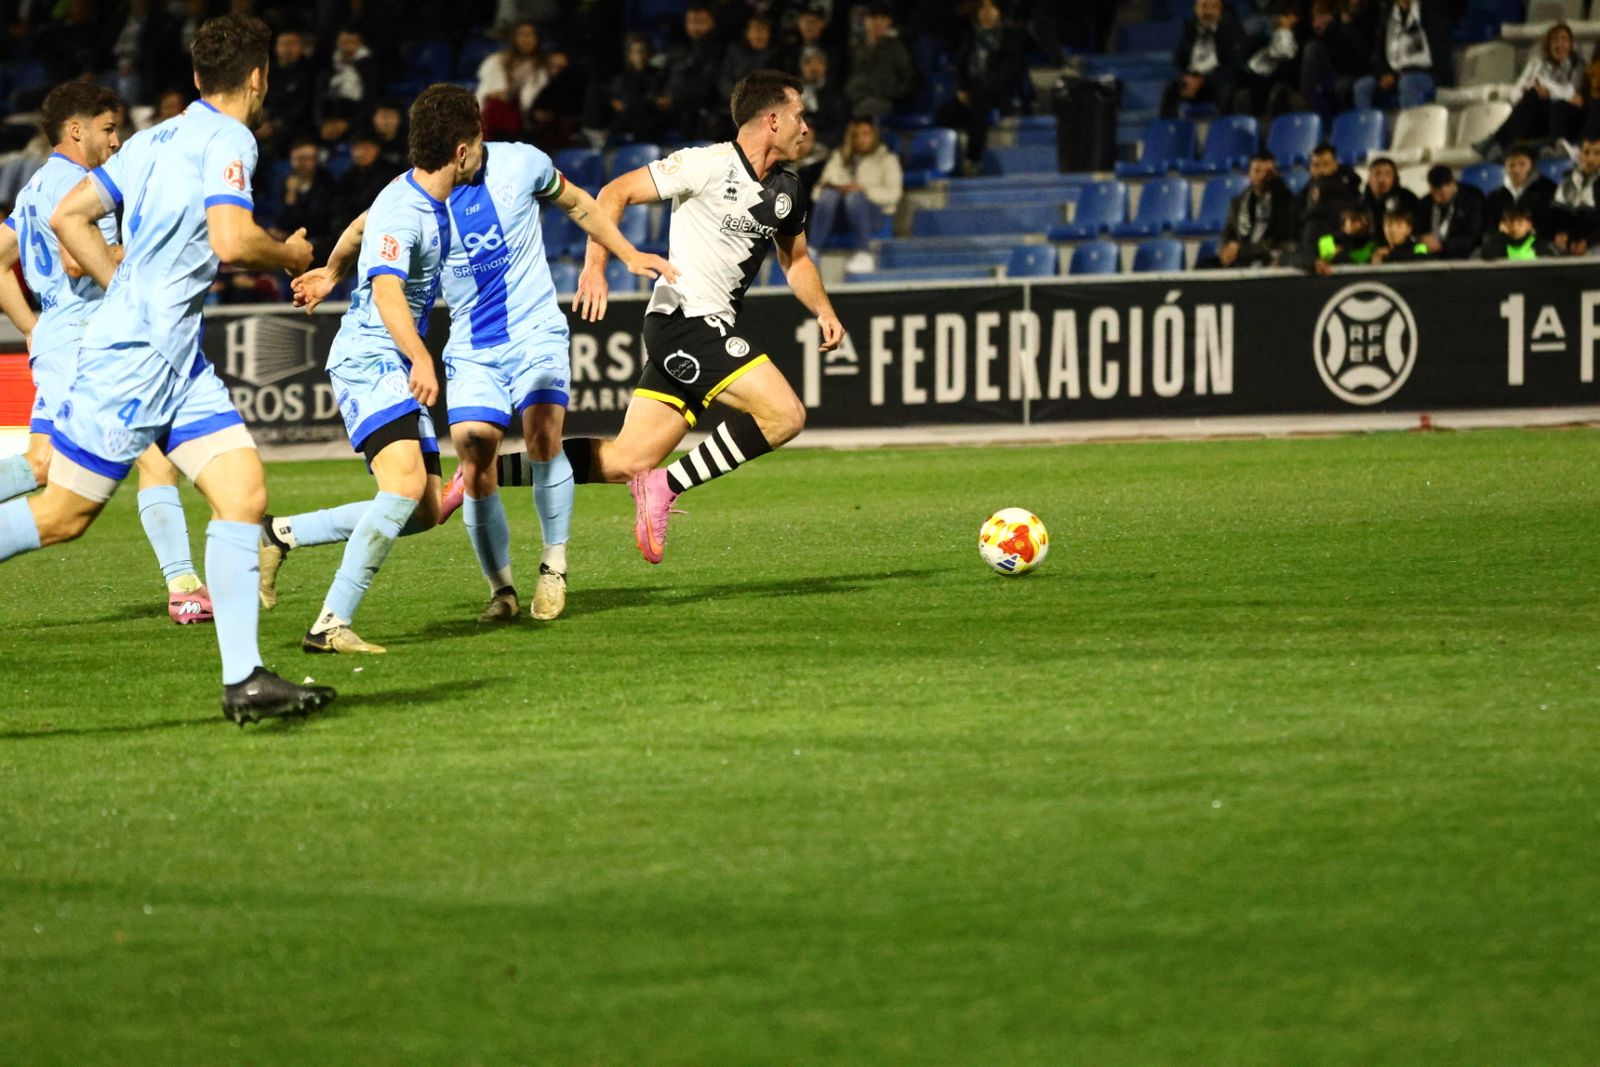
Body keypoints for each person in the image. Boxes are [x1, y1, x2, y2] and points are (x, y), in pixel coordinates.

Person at [2, 14, 331, 723]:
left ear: (194, 79)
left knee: (242, 492)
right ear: (257, 78)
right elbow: (232, 238)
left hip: (175, 355)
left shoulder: (154, 137)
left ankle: (244, 676)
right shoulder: (230, 138)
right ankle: (242, 669)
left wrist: (124, 290)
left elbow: (69, 218)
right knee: (63, 514)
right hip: (137, 359)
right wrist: (291, 256)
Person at [279, 134, 677, 626]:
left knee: (542, 433)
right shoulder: (419, 197)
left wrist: (625, 254)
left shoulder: (523, 162)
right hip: (471, 347)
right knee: (474, 454)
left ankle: (554, 565)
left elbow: (577, 202)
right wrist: (332, 273)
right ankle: (502, 589)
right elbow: (364, 227)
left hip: (534, 330)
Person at [570, 69, 845, 565]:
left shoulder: (788, 190)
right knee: (785, 415)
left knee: (624, 460)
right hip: (686, 321)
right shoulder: (706, 165)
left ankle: (482, 474)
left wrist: (824, 310)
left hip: (702, 328)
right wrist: (596, 267)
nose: (807, 127)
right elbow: (613, 193)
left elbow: (796, 260)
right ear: (772, 119)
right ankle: (665, 486)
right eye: (800, 116)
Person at [258, 85, 481, 655]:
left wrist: (332, 272)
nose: (483, 152)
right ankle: (329, 625)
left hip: (391, 357)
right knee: (404, 486)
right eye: (478, 142)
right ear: (460, 152)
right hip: (371, 358)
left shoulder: (407, 194)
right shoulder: (409, 211)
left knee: (425, 508)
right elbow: (386, 294)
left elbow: (360, 225)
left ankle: (281, 533)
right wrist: (423, 355)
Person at [0, 82, 215, 624]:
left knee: (42, 462)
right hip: (88, 338)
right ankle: (184, 584)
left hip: (59, 335)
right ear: (77, 130)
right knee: (154, 457)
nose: (117, 142)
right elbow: (79, 262)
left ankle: (185, 582)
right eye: (108, 129)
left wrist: (31, 326)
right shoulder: (80, 185)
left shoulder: (34, 188)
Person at [935, 0, 1028, 173]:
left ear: (999, 11)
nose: (986, 12)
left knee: (978, 105)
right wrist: (961, 90)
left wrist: (979, 90)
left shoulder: (1009, 35)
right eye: (982, 8)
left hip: (998, 93)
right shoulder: (970, 34)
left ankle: (973, 159)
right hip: (971, 90)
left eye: (990, 7)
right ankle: (945, 161)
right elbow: (961, 66)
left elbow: (1009, 72)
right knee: (944, 113)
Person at [1477, 23, 1585, 162]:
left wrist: (1548, 90)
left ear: (1570, 44)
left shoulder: (1577, 65)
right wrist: (1535, 90)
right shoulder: (1538, 64)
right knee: (1532, 95)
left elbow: (1572, 96)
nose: (1559, 45)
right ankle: (1501, 143)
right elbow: (1515, 94)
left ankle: (1498, 141)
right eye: (1555, 40)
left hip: (1562, 120)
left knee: (1540, 97)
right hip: (1536, 118)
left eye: (1564, 40)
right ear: (1548, 44)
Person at [809, 117, 903, 274]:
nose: (861, 139)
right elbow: (817, 191)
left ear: (874, 135)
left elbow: (894, 194)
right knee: (829, 195)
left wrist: (863, 190)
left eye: (866, 134)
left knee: (854, 197)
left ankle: (864, 254)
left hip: (873, 214)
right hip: (839, 215)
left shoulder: (887, 160)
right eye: (856, 135)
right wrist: (837, 188)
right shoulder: (839, 157)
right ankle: (811, 251)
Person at [1352, 0, 1452, 111]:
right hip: (1396, 74)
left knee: (1408, 82)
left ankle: (1412, 127)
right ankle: (1368, 126)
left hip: (1427, 74)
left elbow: (1441, 51)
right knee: (1362, 87)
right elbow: (1378, 53)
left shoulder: (1429, 9)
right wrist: (1383, 73)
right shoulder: (1388, 15)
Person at [1160, 0, 1244, 118]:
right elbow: (1178, 60)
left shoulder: (1231, 30)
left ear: (1220, 10)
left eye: (1214, 7)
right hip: (1191, 80)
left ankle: (1225, 132)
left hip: (1217, 81)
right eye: (1204, 6)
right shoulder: (1188, 28)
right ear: (1196, 8)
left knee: (1228, 92)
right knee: (1169, 91)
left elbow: (1232, 66)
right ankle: (1169, 132)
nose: (1209, 11)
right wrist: (1186, 78)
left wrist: (1202, 80)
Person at [1210, 150, 1294, 267]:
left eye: (1268, 173)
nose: (1262, 176)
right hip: (1240, 256)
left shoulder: (1286, 202)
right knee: (1204, 265)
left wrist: (1242, 250)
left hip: (1266, 255)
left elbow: (1279, 241)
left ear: (1275, 174)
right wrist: (1229, 246)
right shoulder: (1238, 203)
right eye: (1257, 171)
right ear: (1249, 174)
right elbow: (1229, 233)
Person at [656, 4, 727, 141]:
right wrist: (656, 96)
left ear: (712, 22)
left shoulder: (718, 50)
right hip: (670, 105)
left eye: (700, 22)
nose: (695, 27)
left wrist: (673, 100)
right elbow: (662, 76)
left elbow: (707, 86)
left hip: (695, 109)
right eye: (691, 22)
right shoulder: (679, 47)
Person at [475, 20, 551, 141]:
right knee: (495, 106)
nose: (526, 39)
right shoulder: (498, 60)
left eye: (531, 34)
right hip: (501, 114)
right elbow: (489, 91)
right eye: (522, 34)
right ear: (514, 38)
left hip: (528, 117)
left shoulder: (542, 66)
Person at [1300, 0, 1371, 120]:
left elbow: (1361, 56)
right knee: (1311, 48)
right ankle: (1307, 101)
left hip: (1352, 73)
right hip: (1327, 73)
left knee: (1340, 87)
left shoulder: (1357, 17)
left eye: (1321, 16)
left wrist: (1345, 26)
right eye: (1315, 18)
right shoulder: (1321, 32)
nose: (1316, 23)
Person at [845, 2, 916, 119]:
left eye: (882, 18)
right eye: (873, 18)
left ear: (889, 22)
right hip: (854, 97)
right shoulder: (855, 47)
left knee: (865, 112)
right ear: (865, 21)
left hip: (882, 99)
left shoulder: (897, 48)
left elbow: (907, 79)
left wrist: (890, 93)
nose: (877, 23)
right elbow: (847, 74)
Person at [1484, 145, 1557, 238]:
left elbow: (1553, 221)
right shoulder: (1495, 195)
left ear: (1532, 165)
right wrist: (1500, 228)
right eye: (1511, 165)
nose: (1516, 169)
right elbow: (1490, 224)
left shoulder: (1548, 189)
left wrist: (1529, 227)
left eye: (1522, 164)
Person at [1417, 163, 1485, 259]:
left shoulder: (1472, 199)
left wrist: (1442, 245)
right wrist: (1423, 238)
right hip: (1429, 253)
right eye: (1433, 192)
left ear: (1452, 184)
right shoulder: (1425, 202)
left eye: (1441, 194)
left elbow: (1473, 235)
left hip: (1464, 255)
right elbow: (1417, 229)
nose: (1436, 198)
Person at [1550, 136, 1600, 254]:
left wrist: (1587, 242)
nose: (1590, 158)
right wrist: (1561, 233)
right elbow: (1557, 214)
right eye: (1586, 152)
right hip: (1571, 242)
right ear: (1579, 154)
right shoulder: (1568, 181)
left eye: (1597, 153)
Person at [798, 48, 850, 152]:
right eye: (808, 63)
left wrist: (814, 139)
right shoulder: (793, 93)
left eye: (818, 63)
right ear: (802, 67)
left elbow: (839, 130)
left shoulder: (836, 95)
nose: (814, 68)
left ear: (825, 67)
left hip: (824, 149)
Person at [720, 16, 779, 101]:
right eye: (755, 29)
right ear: (747, 33)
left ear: (770, 34)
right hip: (735, 101)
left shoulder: (777, 54)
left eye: (763, 30)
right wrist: (736, 96)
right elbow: (724, 77)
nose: (759, 34)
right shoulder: (735, 51)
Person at [1360, 155, 1420, 234]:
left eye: (1387, 174)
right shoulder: (1361, 201)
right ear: (1369, 178)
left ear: (1394, 178)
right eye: (1377, 174)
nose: (1382, 179)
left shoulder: (1408, 199)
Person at [1312, 205, 1377, 273]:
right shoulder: (1327, 241)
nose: (1359, 224)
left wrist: (1342, 255)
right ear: (1343, 224)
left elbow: (1362, 260)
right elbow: (1324, 260)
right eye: (1354, 219)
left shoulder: (1372, 243)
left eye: (1363, 220)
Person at [1481, 204, 1556, 259]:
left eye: (1520, 223)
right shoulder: (1501, 242)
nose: (1515, 227)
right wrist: (1501, 235)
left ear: (1529, 225)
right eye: (1511, 222)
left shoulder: (1540, 244)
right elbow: (1488, 256)